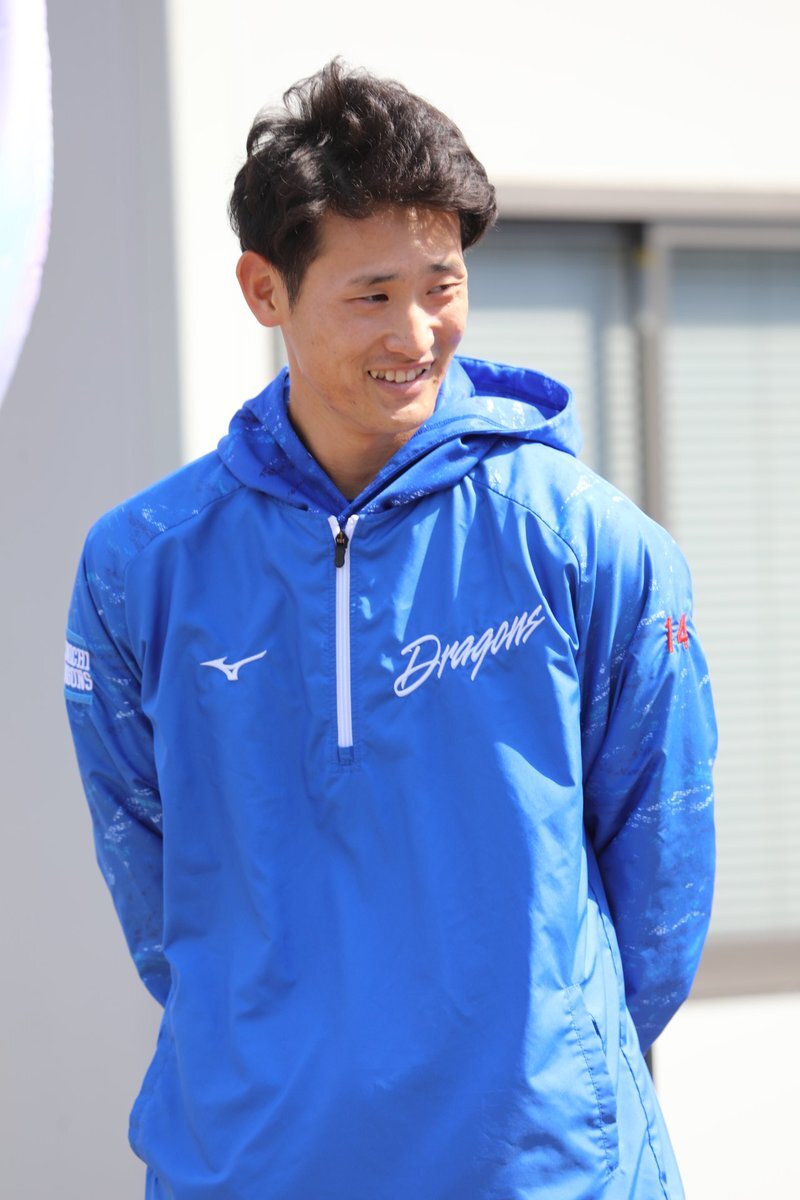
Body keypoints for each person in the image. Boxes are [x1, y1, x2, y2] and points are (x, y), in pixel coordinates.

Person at [64, 60, 716, 1200]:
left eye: (441, 285)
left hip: (542, 1167)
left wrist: (545, 1063)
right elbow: (154, 886)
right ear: (264, 290)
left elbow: (660, 881)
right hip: (251, 1165)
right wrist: (266, 1042)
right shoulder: (142, 565)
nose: (416, 333)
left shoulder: (587, 545)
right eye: (371, 295)